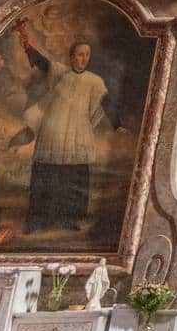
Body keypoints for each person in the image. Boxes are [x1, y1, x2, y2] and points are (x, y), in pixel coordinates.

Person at [18, 24, 109, 232]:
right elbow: (42, 63)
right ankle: (39, 219)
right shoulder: (60, 72)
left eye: (87, 55)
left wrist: (120, 124)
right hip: (54, 131)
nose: (83, 59)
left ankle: (70, 218)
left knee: (73, 176)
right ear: (71, 57)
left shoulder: (95, 81)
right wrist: (27, 46)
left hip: (78, 133)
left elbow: (106, 105)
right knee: (46, 174)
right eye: (79, 54)